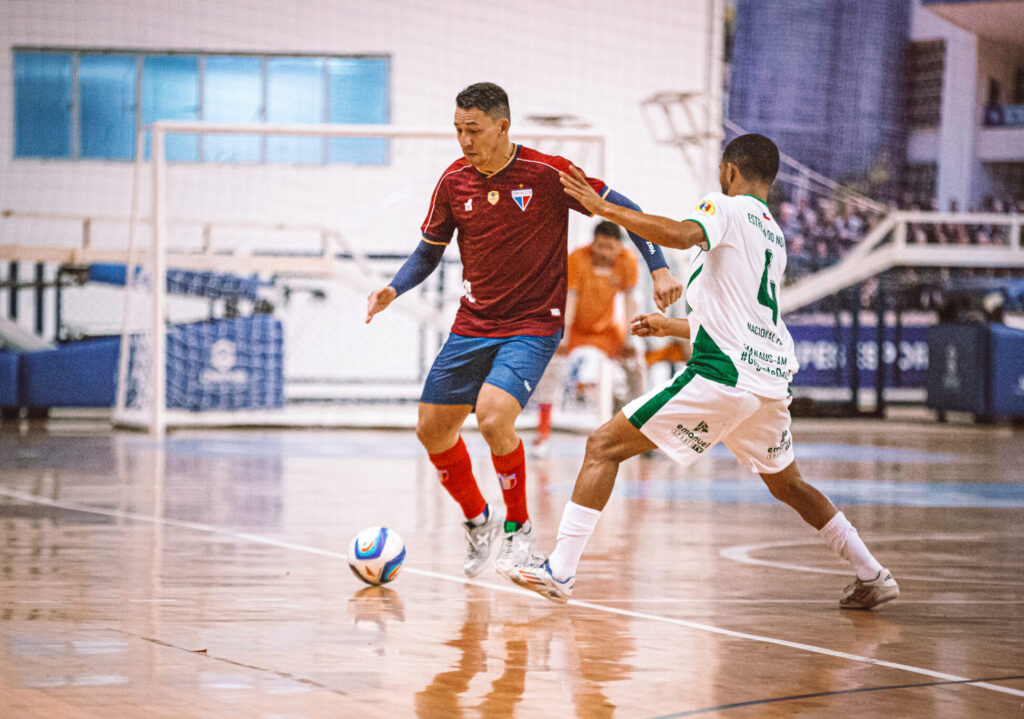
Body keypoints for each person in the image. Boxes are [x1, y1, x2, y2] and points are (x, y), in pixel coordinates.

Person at [504, 133, 899, 610]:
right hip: (768, 383)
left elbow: (678, 234)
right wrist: (671, 325)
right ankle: (872, 573)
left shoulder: (725, 208)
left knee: (602, 446)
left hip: (724, 376)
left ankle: (560, 571)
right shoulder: (773, 232)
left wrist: (601, 207)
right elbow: (739, 318)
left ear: (730, 170)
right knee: (788, 485)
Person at [365, 82, 682, 579]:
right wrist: (393, 289)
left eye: (473, 130)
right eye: (457, 130)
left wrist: (659, 268)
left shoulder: (547, 173)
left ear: (502, 126)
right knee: (432, 429)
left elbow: (626, 211)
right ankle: (478, 518)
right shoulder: (453, 181)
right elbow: (429, 251)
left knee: (493, 417)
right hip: (474, 323)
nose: (464, 140)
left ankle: (519, 530)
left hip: (534, 324)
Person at [531, 219, 647, 457]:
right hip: (577, 329)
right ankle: (543, 433)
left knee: (637, 365)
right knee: (551, 365)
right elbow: (569, 299)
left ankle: (642, 432)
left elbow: (629, 303)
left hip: (607, 331)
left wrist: (629, 340)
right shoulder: (577, 259)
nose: (604, 252)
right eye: (600, 245)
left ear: (619, 247)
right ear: (593, 243)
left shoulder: (628, 262)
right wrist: (561, 338)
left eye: (609, 247)